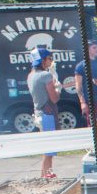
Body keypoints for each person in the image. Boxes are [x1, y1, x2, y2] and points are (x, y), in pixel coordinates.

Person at [27, 47, 59, 178]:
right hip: (47, 115)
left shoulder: (30, 75)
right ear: (43, 60)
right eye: (49, 58)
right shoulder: (46, 75)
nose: (50, 61)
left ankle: (44, 176)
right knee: (49, 151)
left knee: (47, 149)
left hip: (38, 113)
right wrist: (57, 87)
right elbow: (54, 98)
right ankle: (45, 177)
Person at [75, 40, 97, 127]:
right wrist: (82, 103)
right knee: (92, 126)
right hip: (89, 101)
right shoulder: (80, 66)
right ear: (88, 50)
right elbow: (78, 87)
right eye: (94, 48)